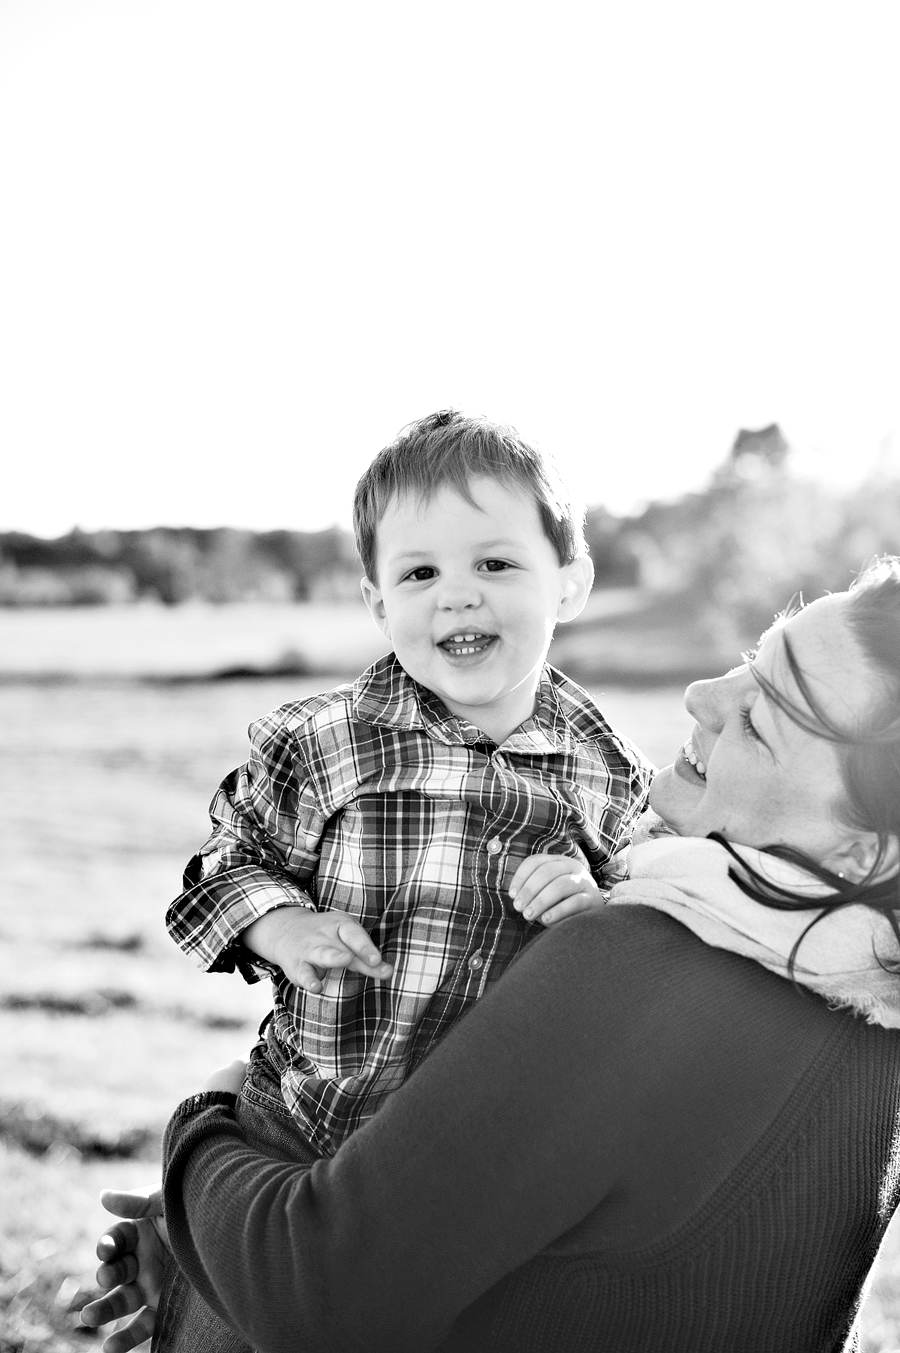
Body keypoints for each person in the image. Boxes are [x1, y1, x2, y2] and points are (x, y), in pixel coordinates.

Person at [84, 558, 900, 1353]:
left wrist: (205, 1127)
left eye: (761, 719)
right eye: (750, 661)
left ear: (866, 851)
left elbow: (317, 1291)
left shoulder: (638, 968)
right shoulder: (875, 1032)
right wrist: (208, 1254)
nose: (705, 694)